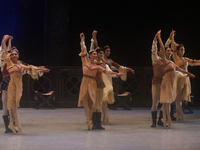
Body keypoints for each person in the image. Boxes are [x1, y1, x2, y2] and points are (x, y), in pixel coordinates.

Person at [1, 35, 50, 135]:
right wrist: (5, 41)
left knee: (14, 104)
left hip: (17, 85)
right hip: (7, 83)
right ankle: (10, 126)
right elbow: (5, 51)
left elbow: (29, 67)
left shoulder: (20, 65)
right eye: (12, 53)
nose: (13, 55)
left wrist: (41, 69)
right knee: (7, 105)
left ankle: (12, 123)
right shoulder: (6, 62)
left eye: (15, 53)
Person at [78, 33, 124, 130]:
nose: (99, 55)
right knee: (92, 103)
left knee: (97, 103)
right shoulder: (89, 62)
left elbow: (106, 70)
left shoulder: (100, 65)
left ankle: (97, 123)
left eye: (100, 53)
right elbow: (85, 50)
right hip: (90, 84)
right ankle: (92, 121)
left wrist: (117, 74)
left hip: (99, 84)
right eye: (97, 53)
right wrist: (85, 40)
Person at [156, 30, 195, 128]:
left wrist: (189, 74)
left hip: (171, 84)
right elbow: (162, 46)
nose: (169, 52)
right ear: (165, 53)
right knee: (166, 103)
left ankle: (166, 120)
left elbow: (180, 70)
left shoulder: (173, 63)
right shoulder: (165, 61)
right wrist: (159, 37)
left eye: (170, 51)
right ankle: (165, 120)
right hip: (166, 84)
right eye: (168, 51)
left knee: (168, 104)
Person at [171, 30, 200, 122]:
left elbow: (194, 62)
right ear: (178, 51)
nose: (183, 51)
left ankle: (178, 114)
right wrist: (172, 37)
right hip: (179, 79)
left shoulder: (185, 59)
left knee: (181, 99)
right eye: (181, 49)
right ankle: (179, 115)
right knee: (177, 99)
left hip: (186, 80)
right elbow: (173, 46)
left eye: (184, 49)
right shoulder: (175, 57)